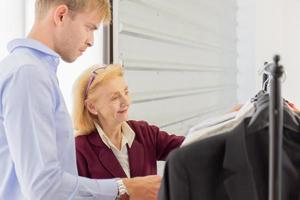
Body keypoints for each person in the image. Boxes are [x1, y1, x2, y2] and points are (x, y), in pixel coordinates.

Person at [0, 1, 161, 200]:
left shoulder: (31, 71)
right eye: (89, 28)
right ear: (61, 15)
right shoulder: (28, 74)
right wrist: (124, 187)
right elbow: (43, 188)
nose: (92, 41)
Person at [72, 64, 185, 180]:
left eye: (126, 92)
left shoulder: (144, 132)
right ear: (92, 107)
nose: (126, 102)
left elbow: (188, 148)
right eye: (115, 97)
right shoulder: (79, 149)